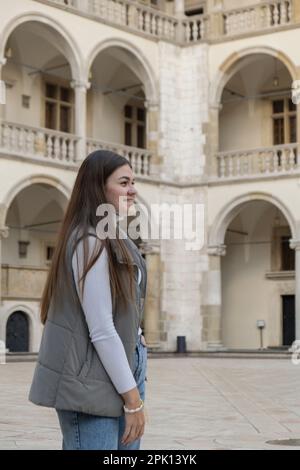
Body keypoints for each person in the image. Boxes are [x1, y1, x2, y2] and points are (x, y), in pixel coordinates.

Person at [29, 150, 148, 450]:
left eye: (133, 181)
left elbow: (126, 307)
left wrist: (138, 339)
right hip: (91, 377)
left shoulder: (113, 236)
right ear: (98, 186)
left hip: (123, 368)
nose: (133, 189)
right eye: (124, 182)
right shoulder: (90, 241)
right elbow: (102, 328)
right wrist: (133, 400)